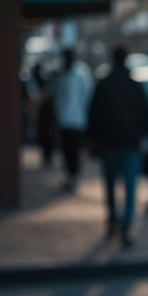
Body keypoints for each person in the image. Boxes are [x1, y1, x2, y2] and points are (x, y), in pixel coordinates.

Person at [87, 45, 148, 247]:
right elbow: (145, 116)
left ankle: (112, 220)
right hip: (130, 145)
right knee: (130, 188)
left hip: (109, 145)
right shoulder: (135, 86)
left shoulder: (104, 85)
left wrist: (92, 141)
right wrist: (144, 136)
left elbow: (93, 116)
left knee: (110, 185)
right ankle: (125, 226)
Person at [54, 48, 93, 191]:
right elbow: (58, 97)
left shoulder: (82, 74)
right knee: (66, 151)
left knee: (75, 150)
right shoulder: (62, 74)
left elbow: (88, 96)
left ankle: (74, 177)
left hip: (78, 120)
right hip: (64, 120)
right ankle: (69, 176)